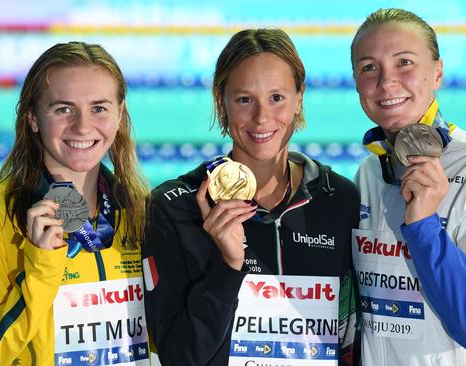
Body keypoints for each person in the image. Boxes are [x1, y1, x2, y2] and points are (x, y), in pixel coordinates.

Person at [142, 28, 361, 365]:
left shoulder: (339, 199)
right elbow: (179, 357)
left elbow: (350, 337)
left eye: (277, 97)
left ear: (299, 97)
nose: (262, 118)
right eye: (245, 99)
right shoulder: (175, 207)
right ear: (221, 101)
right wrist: (228, 267)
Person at [350, 8, 466, 365]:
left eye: (404, 62)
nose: (386, 81)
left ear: (437, 73)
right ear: (356, 81)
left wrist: (424, 226)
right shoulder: (369, 175)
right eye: (370, 67)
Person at [0, 42, 151, 365]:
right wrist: (41, 269)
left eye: (99, 108)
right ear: (32, 117)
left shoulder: (138, 211)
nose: (83, 126)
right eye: (63, 109)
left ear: (120, 114)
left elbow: (162, 336)